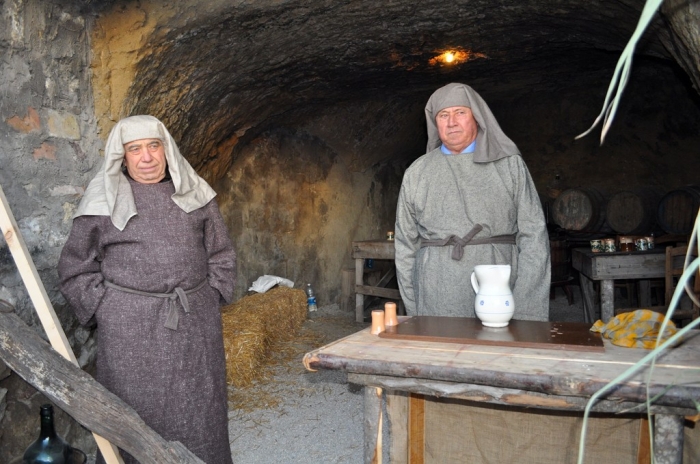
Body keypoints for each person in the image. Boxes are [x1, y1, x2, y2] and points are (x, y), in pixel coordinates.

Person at [58, 115, 236, 464]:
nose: (146, 157)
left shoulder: (195, 195)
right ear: (122, 157)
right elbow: (74, 267)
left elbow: (222, 252)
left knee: (201, 407)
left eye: (153, 146)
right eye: (134, 149)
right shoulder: (102, 202)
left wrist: (210, 296)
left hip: (194, 323)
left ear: (166, 150)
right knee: (136, 412)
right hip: (130, 331)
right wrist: (106, 309)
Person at [394, 83, 550, 320]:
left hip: (498, 286)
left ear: (477, 117)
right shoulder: (417, 172)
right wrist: (415, 306)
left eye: (460, 112)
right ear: (435, 124)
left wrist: (527, 306)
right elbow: (406, 245)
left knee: (496, 354)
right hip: (436, 290)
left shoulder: (509, 165)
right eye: (443, 115)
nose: (451, 122)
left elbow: (534, 236)